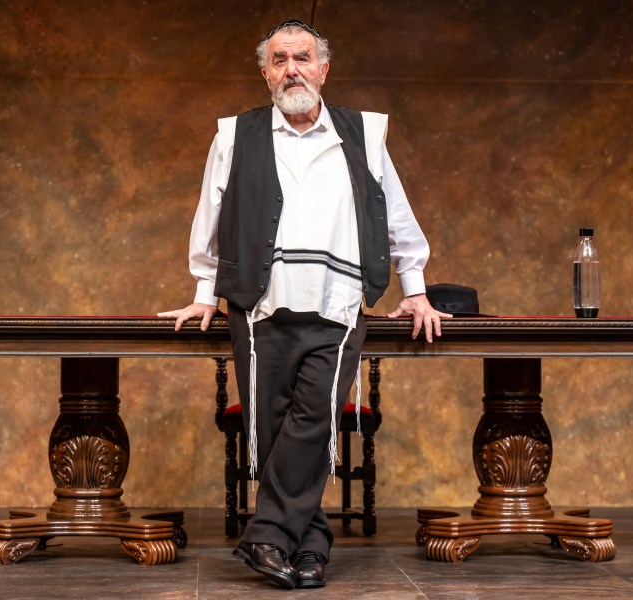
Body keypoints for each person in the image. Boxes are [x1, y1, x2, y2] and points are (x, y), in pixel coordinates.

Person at [158, 18, 448, 589]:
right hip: (260, 305)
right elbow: (209, 218)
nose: (292, 69)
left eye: (303, 58)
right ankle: (310, 545)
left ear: (323, 69)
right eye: (280, 60)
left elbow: (395, 214)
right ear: (266, 74)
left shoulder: (363, 134)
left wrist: (414, 288)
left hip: (338, 304)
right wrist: (204, 292)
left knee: (314, 422)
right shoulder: (234, 136)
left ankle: (267, 536)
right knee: (271, 429)